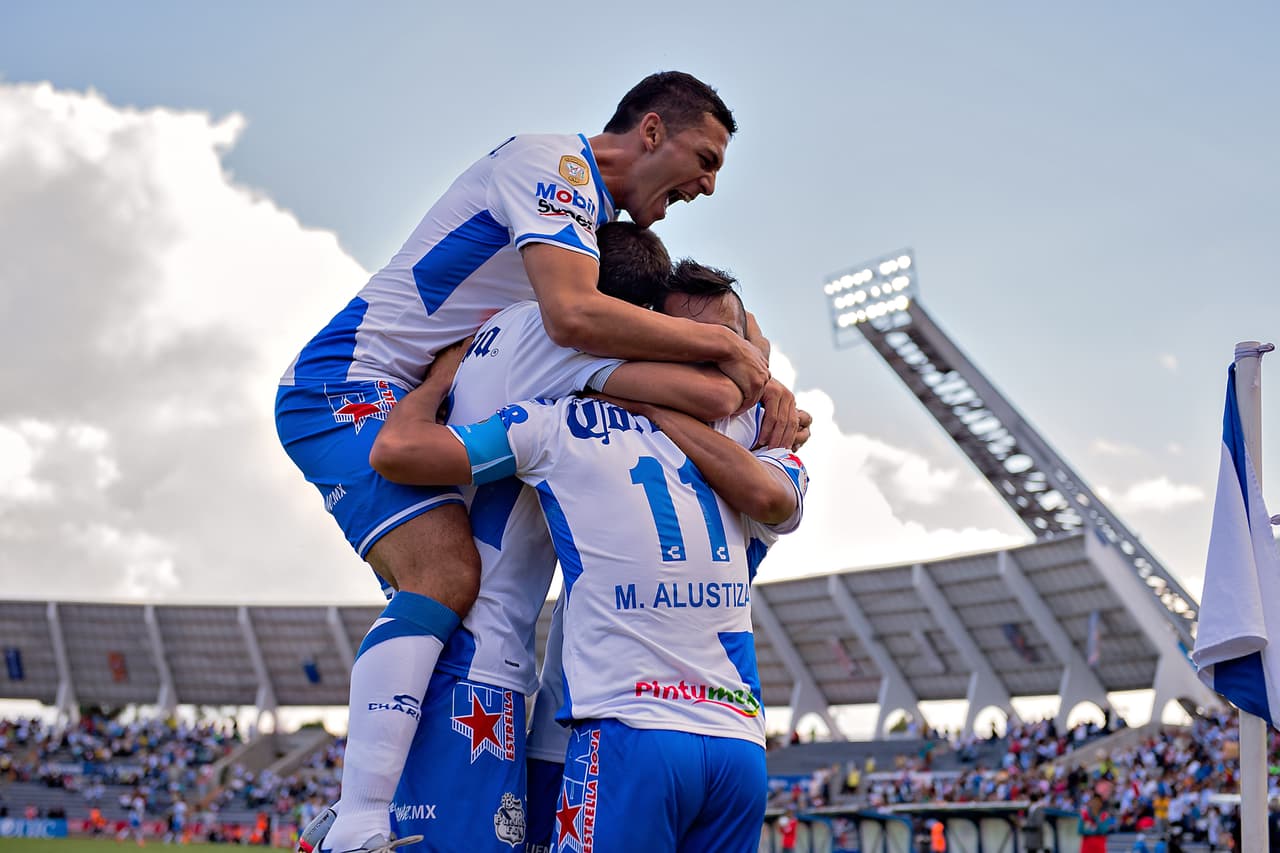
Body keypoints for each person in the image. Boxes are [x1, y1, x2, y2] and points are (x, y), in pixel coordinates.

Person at [276, 72, 790, 853]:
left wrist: (760, 371)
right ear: (651, 130)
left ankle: (351, 813)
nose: (711, 185)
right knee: (445, 575)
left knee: (457, 584)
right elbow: (578, 315)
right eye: (706, 158)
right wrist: (737, 357)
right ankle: (354, 819)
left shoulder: (580, 273)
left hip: (530, 671)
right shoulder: (555, 172)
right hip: (349, 383)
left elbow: (657, 327)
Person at [371, 288, 807, 852]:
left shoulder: (558, 420)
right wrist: (764, 384)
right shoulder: (760, 440)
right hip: (737, 738)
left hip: (625, 726)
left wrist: (437, 381)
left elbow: (399, 452)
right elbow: (769, 492)